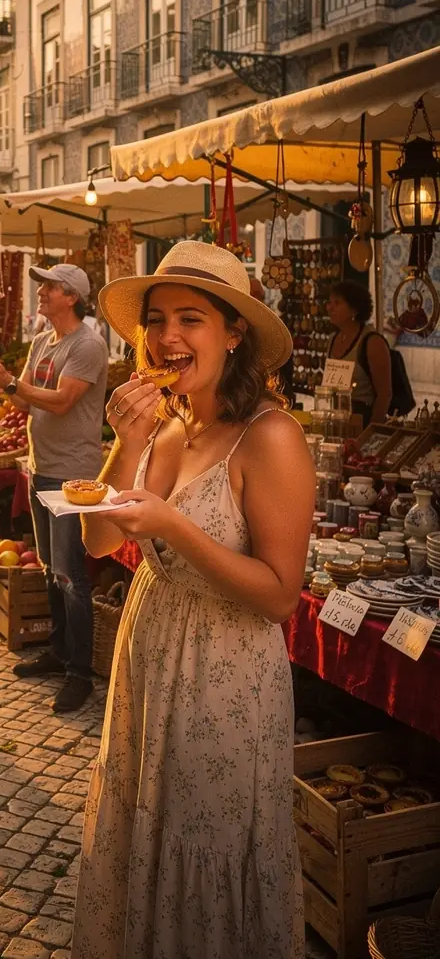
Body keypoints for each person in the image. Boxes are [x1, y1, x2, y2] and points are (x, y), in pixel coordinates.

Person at [70, 241, 313, 959]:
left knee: (204, 841)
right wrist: (127, 439)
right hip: (151, 652)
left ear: (234, 333)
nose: (167, 337)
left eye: (191, 319)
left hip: (224, 673)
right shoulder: (173, 427)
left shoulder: (272, 438)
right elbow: (93, 542)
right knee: (144, 826)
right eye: (156, 319)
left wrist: (176, 525)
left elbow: (280, 597)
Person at [0, 263, 108, 714]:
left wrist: (11, 382)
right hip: (41, 466)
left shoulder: (88, 344)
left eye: (48, 287)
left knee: (71, 575)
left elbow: (64, 401)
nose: (41, 293)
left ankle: (79, 673)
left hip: (72, 473)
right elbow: (22, 397)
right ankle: (59, 650)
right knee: (50, 567)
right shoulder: (44, 341)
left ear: (71, 296)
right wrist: (1, 384)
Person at [326, 279, 392, 427]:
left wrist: (371, 432)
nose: (330, 308)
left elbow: (384, 394)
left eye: (337, 303)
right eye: (329, 302)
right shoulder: (332, 340)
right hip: (336, 421)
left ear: (354, 309)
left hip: (361, 422)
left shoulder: (372, 342)